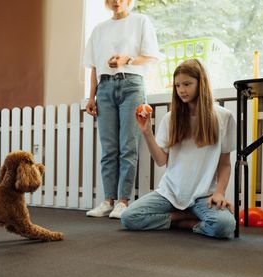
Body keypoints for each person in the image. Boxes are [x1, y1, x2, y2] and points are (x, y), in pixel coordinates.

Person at [120, 59, 236, 238]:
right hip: (171, 192)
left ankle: (182, 221)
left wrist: (220, 192)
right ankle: (184, 219)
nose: (182, 90)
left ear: (201, 83)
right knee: (129, 217)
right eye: (177, 85)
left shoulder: (224, 117)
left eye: (187, 84)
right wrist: (147, 132)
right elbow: (160, 160)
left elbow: (225, 163)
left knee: (225, 226)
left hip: (203, 195)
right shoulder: (170, 118)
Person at [83, 0, 160, 219]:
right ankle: (108, 200)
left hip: (132, 84)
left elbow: (152, 56)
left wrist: (129, 59)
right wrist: (91, 97)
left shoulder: (141, 21)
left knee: (128, 146)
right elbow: (95, 66)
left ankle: (123, 201)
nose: (116, 1)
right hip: (104, 87)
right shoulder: (99, 30)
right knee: (108, 148)